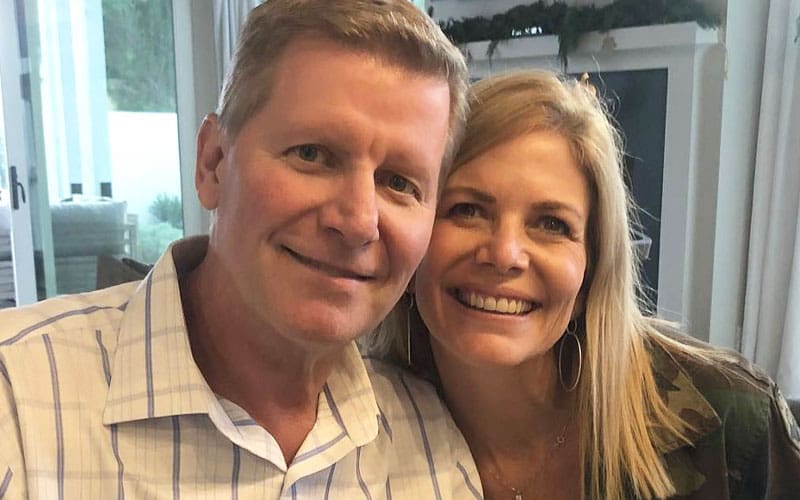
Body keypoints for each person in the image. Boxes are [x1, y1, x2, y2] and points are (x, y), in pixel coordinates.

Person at [0, 1, 482, 498]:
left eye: (400, 183)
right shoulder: (18, 403)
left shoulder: (430, 444)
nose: (359, 222)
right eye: (312, 155)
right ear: (213, 164)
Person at [369, 69, 800, 499]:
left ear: (592, 272)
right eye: (467, 210)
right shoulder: (359, 432)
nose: (504, 255)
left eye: (551, 224)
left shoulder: (731, 428)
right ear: (412, 238)